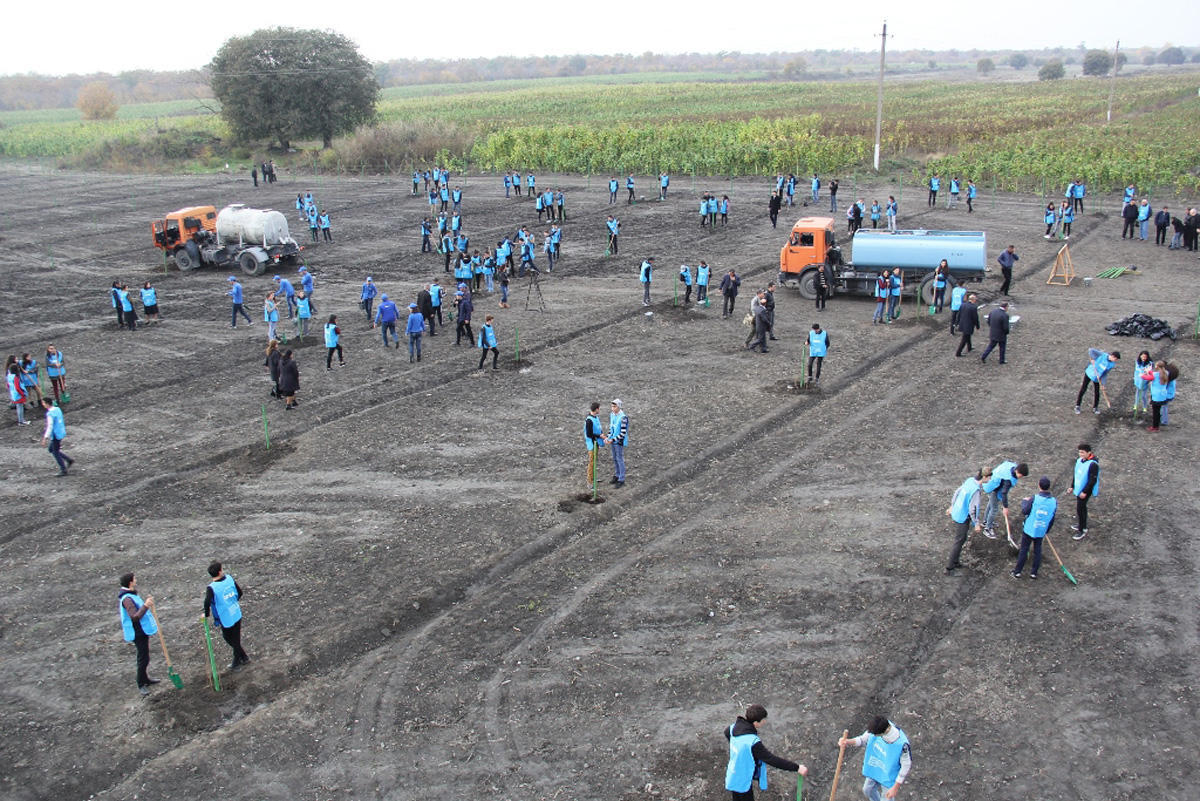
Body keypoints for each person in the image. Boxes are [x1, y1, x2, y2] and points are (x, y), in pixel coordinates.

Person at [725, 704, 806, 801]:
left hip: (733, 774)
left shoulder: (734, 728)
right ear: (756, 723)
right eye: (763, 720)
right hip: (743, 780)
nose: (765, 721)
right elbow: (771, 759)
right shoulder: (752, 742)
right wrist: (797, 768)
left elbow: (727, 732)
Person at [838, 716, 910, 801]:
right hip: (876, 768)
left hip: (888, 775)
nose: (872, 735)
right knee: (868, 790)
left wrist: (895, 787)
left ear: (882, 733)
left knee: (886, 798)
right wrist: (847, 742)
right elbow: (862, 740)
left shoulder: (902, 745)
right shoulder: (877, 727)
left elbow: (906, 765)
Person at [203, 561, 250, 670]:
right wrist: (233, 602)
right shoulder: (229, 579)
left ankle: (237, 661)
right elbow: (240, 592)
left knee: (229, 637)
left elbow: (207, 602)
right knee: (235, 638)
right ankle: (243, 657)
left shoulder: (212, 588)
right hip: (236, 612)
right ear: (219, 572)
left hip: (225, 616)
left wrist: (206, 614)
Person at [118, 573, 159, 695]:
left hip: (141, 630)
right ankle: (141, 683)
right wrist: (146, 605)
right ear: (130, 582)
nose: (136, 580)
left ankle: (145, 679)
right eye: (134, 579)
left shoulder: (130, 595)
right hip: (137, 632)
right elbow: (134, 617)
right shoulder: (127, 599)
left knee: (145, 656)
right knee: (142, 658)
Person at [1013, 476, 1057, 580]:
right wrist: (1047, 530)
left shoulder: (1034, 498)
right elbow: (1052, 517)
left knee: (1024, 549)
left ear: (1039, 485)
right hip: (1041, 530)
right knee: (1038, 550)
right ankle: (1034, 573)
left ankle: (1017, 572)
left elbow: (1025, 511)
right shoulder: (1054, 501)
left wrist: (1024, 501)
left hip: (1029, 529)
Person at [945, 468, 983, 572]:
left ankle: (955, 562)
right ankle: (950, 566)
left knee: (961, 538)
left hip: (957, 512)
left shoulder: (970, 480)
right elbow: (973, 509)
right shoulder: (976, 490)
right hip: (963, 517)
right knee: (959, 541)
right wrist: (976, 523)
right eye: (989, 477)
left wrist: (952, 506)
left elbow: (957, 492)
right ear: (985, 477)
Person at [982, 460, 1029, 540]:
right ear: (1017, 471)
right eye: (1021, 475)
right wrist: (1005, 507)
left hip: (991, 483)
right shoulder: (1008, 480)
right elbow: (1004, 493)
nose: (1021, 477)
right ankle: (987, 529)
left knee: (990, 504)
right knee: (994, 509)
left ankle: (985, 521)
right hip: (994, 488)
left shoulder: (1012, 465)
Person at [1074, 348, 1120, 414]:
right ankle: (1077, 406)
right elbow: (1090, 350)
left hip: (1098, 377)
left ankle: (1095, 408)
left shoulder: (1111, 364)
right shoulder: (1102, 355)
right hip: (1090, 373)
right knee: (1083, 389)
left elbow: (1105, 374)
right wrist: (1093, 359)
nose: (1115, 361)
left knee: (1097, 392)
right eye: (1115, 359)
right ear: (1112, 356)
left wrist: (1103, 384)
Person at [1070, 443, 1100, 541]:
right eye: (1079, 452)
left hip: (1085, 491)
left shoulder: (1093, 464)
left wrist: (1085, 492)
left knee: (1080, 508)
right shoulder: (1079, 461)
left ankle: (1082, 529)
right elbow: (1076, 475)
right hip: (1079, 489)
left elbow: (1092, 480)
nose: (1080, 454)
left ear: (1088, 453)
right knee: (1081, 508)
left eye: (1083, 452)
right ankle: (1081, 525)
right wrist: (1072, 486)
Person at [39, 396, 73, 476]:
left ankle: (63, 469)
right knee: (52, 449)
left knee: (55, 452)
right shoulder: (57, 409)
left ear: (47, 404)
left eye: (43, 403)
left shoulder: (50, 414)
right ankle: (68, 460)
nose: (43, 405)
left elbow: (50, 426)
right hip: (61, 432)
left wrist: (45, 437)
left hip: (56, 434)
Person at [602, 398, 629, 488]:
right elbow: (611, 428)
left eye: (614, 406)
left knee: (619, 459)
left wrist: (612, 439)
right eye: (612, 406)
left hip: (618, 442)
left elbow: (623, 433)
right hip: (613, 441)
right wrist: (608, 437)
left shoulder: (623, 418)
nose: (612, 408)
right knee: (615, 458)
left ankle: (621, 479)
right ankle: (617, 475)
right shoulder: (612, 415)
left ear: (619, 407)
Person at [584, 401, 605, 488]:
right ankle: (589, 482)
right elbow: (589, 434)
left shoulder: (595, 418)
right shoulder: (589, 420)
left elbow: (599, 428)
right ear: (596, 409)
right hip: (592, 444)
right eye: (599, 409)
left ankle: (593, 478)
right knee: (592, 462)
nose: (599, 410)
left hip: (596, 443)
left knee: (594, 461)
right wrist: (600, 436)